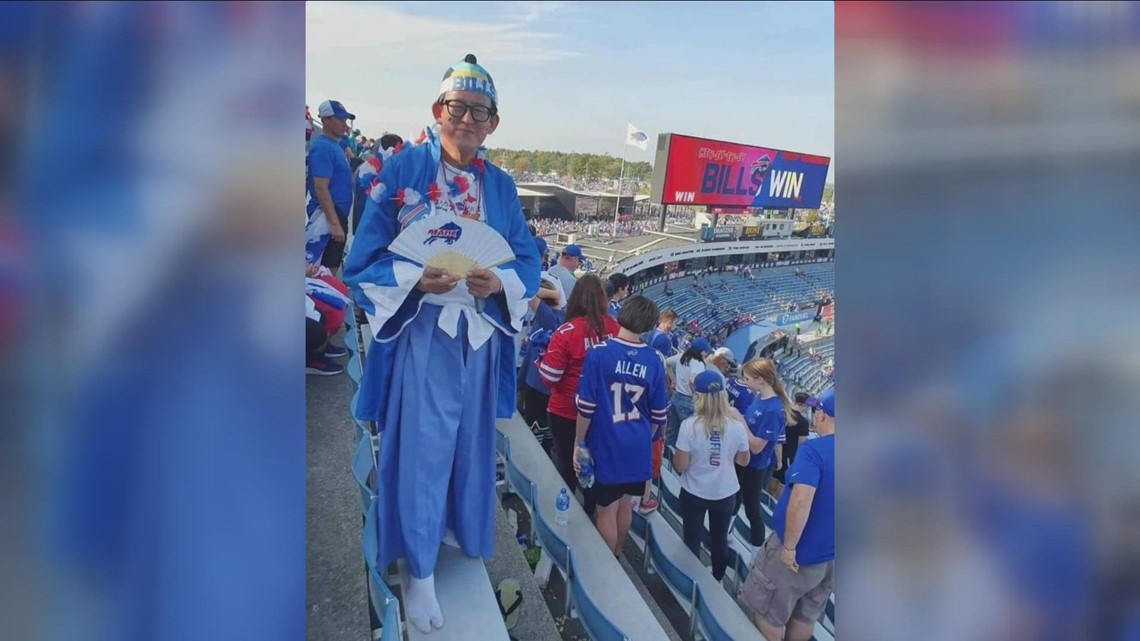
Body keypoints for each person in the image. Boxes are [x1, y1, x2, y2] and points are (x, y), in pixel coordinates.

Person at [343, 53, 540, 634]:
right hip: (424, 329)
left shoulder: (500, 186)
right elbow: (364, 262)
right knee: (425, 448)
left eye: (482, 113)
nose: (470, 121)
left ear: (494, 123)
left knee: (472, 443)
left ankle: (457, 527)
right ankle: (420, 569)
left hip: (479, 332)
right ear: (438, 110)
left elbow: (526, 257)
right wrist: (414, 279)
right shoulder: (401, 170)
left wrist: (497, 280)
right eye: (460, 109)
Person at [573, 295, 669, 557]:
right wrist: (642, 440)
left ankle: (608, 564)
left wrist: (579, 443)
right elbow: (659, 415)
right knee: (626, 504)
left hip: (606, 441)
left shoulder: (599, 353)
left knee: (605, 511)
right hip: (636, 444)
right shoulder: (654, 360)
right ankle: (617, 551)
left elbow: (586, 408)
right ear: (649, 325)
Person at [741, 388, 834, 641]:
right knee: (806, 616)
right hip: (831, 558)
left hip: (799, 554)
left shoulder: (814, 451)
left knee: (768, 614)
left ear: (823, 416)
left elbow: (801, 499)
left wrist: (790, 547)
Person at [538, 274, 619, 511]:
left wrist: (541, 360)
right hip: (602, 412)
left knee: (566, 464)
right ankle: (591, 512)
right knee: (597, 464)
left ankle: (567, 515)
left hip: (566, 409)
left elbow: (549, 379)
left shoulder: (565, 331)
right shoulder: (615, 328)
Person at [672, 371, 751, 581]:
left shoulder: (689, 426)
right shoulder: (736, 427)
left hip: (694, 491)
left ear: (698, 396)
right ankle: (717, 579)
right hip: (724, 492)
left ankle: (691, 579)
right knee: (720, 539)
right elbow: (744, 461)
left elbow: (680, 465)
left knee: (692, 537)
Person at [736, 357, 796, 548]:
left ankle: (756, 551)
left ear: (760, 379)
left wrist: (739, 420)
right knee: (734, 502)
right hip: (742, 460)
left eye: (747, 379)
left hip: (754, 467)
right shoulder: (759, 398)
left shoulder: (773, 410)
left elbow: (756, 446)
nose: (745, 382)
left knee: (752, 510)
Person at [306, 99, 357, 270]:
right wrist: (334, 223)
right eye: (340, 119)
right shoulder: (323, 148)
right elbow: (321, 187)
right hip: (327, 216)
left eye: (345, 120)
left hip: (336, 213)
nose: (345, 124)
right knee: (323, 272)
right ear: (326, 120)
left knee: (330, 268)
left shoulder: (335, 145)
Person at [664, 337, 713, 448]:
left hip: (676, 397)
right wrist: (696, 394)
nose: (706, 354)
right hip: (688, 401)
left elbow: (666, 363)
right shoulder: (698, 363)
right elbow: (692, 379)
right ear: (701, 352)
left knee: (671, 432)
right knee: (687, 436)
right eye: (705, 352)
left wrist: (674, 380)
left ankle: (667, 458)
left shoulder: (681, 356)